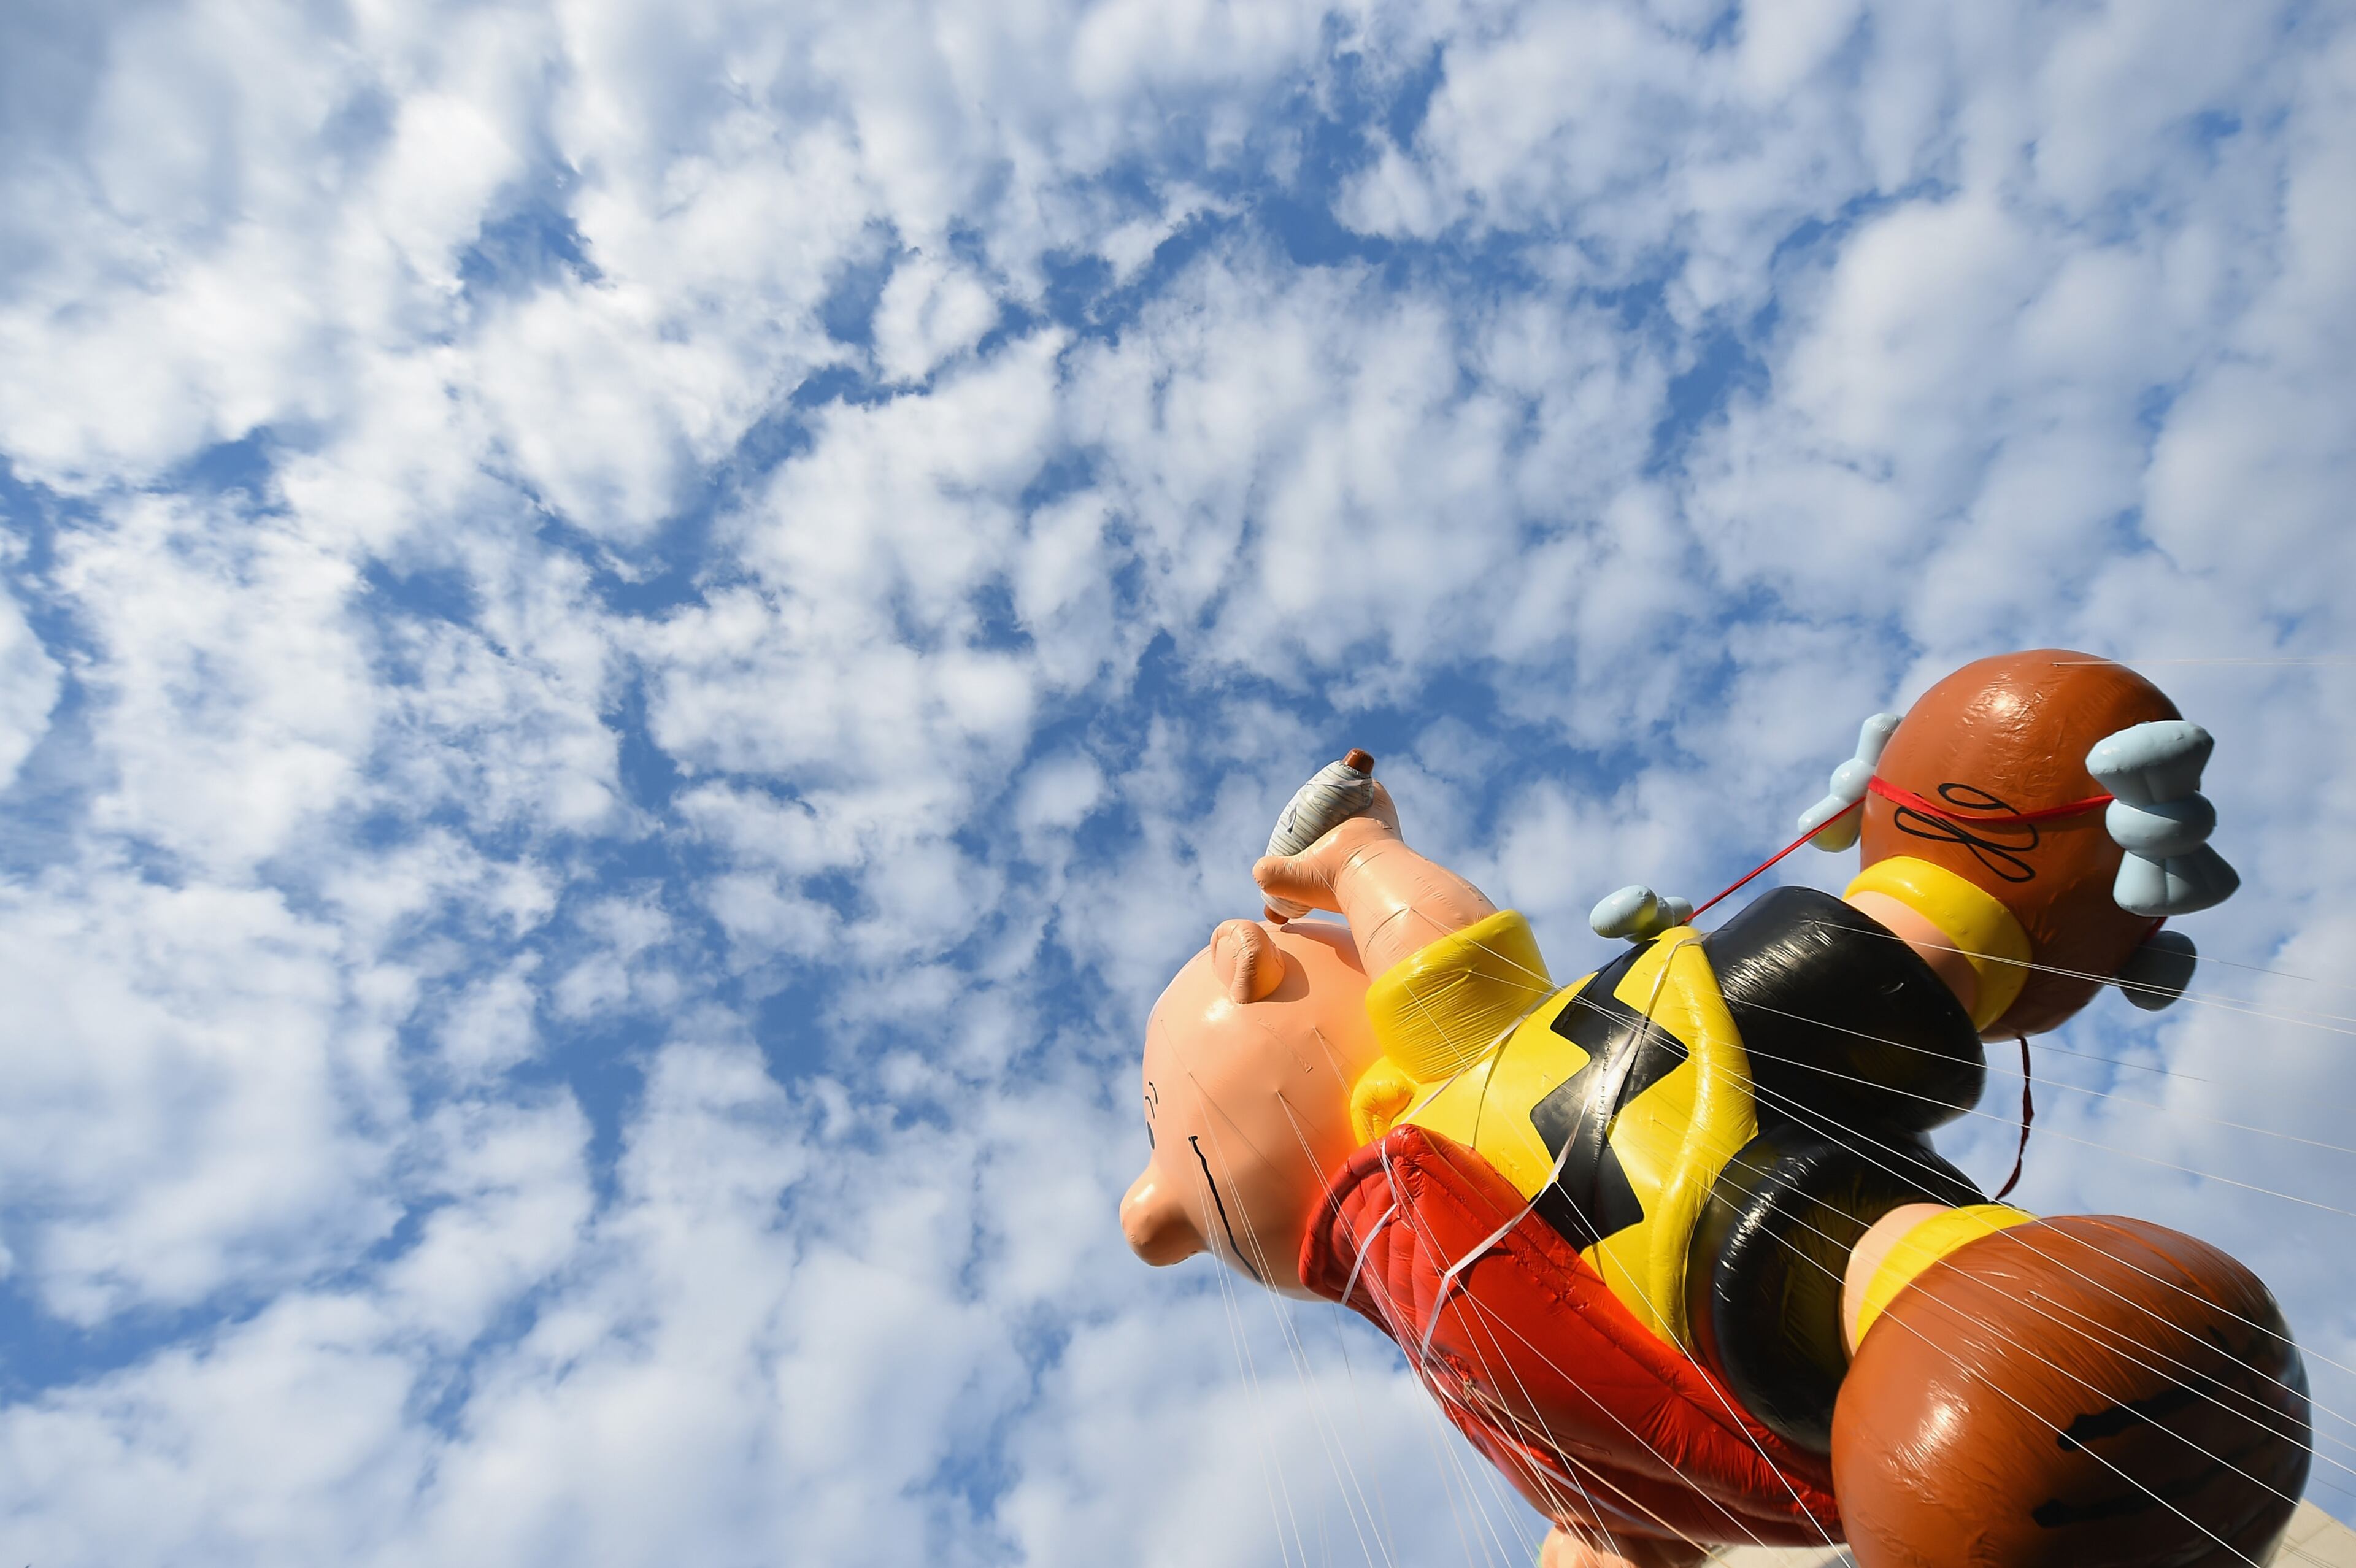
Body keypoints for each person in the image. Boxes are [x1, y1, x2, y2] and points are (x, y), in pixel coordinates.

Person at [1120, 651, 2309, 1568]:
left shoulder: (1428, 1272)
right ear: (1252, 965)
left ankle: (1997, 879)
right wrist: (1358, 856)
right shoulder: (1431, 1093)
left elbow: (1615, 1508)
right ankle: (1983, 888)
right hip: (1708, 1146)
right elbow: (1449, 943)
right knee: (1845, 1163)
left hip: (1692, 1106)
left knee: (1873, 1008)